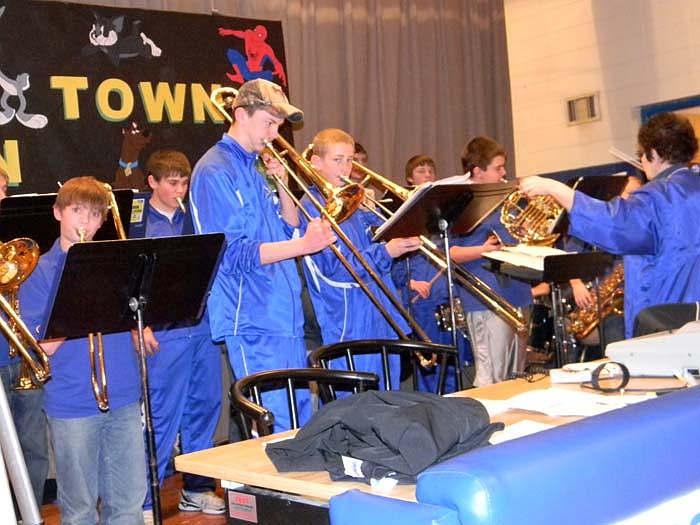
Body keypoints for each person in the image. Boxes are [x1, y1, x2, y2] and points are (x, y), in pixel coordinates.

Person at [189, 79, 336, 433]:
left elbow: (287, 228)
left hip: (282, 313)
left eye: (278, 126)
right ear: (240, 115)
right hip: (251, 317)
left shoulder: (254, 167)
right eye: (268, 123)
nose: (274, 133)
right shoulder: (215, 170)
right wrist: (304, 246)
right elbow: (233, 254)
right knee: (273, 425)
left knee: (299, 419)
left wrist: (284, 186)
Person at [19, 176, 147, 524]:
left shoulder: (116, 264)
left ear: (103, 220)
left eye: (94, 215)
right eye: (77, 211)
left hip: (122, 395)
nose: (84, 223)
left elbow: (132, 326)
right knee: (79, 509)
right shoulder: (37, 272)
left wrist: (141, 329)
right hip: (72, 402)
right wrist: (74, 299)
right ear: (58, 212)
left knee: (129, 502)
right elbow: (38, 350)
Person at [521, 111, 700, 339]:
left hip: (668, 323)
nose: (642, 162)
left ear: (653, 153)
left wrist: (557, 190)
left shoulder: (658, 197)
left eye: (641, 155)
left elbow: (613, 225)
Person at [135, 150, 225, 517]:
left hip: (201, 326)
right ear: (152, 183)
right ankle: (143, 498)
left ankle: (197, 488)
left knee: (204, 407)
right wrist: (138, 325)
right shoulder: (137, 224)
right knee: (160, 415)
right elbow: (128, 283)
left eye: (184, 182)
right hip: (164, 333)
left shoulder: (198, 216)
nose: (180, 189)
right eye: (172, 182)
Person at [301, 128, 422, 388]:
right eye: (337, 160)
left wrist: (399, 226)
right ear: (315, 163)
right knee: (358, 400)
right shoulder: (312, 205)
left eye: (349, 159)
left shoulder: (355, 199)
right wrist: (386, 251)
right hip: (350, 316)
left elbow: (380, 237)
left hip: (378, 309)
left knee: (389, 394)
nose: (345, 168)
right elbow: (336, 268)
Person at [450, 136, 532, 386]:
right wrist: (483, 249)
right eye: (498, 167)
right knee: (491, 375)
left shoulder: (504, 199)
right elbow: (449, 252)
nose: (504, 172)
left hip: (517, 291)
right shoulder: (461, 204)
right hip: (485, 298)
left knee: (515, 374)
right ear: (478, 171)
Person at [391, 154, 471, 393]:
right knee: (429, 362)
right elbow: (393, 264)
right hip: (420, 302)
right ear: (409, 178)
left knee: (452, 358)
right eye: (420, 172)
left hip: (444, 299)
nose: (427, 176)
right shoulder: (403, 218)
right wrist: (411, 282)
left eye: (430, 171)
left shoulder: (442, 214)